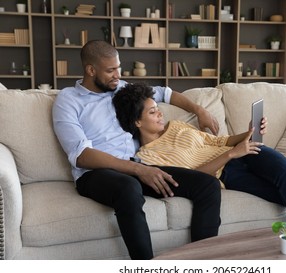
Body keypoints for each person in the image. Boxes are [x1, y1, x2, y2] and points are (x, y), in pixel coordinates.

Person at [52, 40, 222, 260]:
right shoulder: (68, 100)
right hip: (95, 174)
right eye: (110, 70)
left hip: (137, 166)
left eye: (118, 68)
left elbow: (165, 93)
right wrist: (137, 170)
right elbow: (81, 156)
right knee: (129, 188)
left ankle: (203, 262)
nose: (117, 75)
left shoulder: (122, 89)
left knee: (207, 185)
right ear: (91, 70)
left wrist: (199, 110)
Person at [113, 83, 286, 225]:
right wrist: (231, 155)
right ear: (137, 122)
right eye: (152, 112)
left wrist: (249, 133)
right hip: (228, 173)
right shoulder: (149, 158)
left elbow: (219, 141)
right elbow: (193, 179)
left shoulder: (176, 126)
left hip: (247, 152)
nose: (160, 113)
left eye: (157, 108)